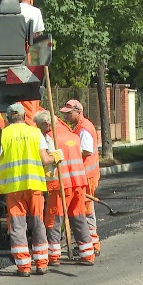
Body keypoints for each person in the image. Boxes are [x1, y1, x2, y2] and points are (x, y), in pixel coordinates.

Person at [0, 103, 61, 277]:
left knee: (17, 227)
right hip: (35, 186)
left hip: (13, 189)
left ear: (7, 118)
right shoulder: (35, 133)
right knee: (38, 224)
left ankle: (23, 267)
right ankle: (42, 264)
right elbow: (44, 159)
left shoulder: (2, 135)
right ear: (24, 117)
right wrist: (56, 155)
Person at [33, 110, 95, 266]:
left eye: (39, 126)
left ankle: (53, 256)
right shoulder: (73, 135)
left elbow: (47, 160)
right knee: (79, 217)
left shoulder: (50, 137)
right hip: (79, 183)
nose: (39, 129)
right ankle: (87, 254)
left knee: (54, 219)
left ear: (46, 124)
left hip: (61, 185)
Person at [60, 99, 101, 256]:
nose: (66, 117)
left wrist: (68, 154)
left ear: (78, 111)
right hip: (84, 175)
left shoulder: (84, 128)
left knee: (86, 210)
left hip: (87, 176)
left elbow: (86, 151)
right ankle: (89, 243)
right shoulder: (78, 127)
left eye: (69, 114)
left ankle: (92, 245)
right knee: (83, 210)